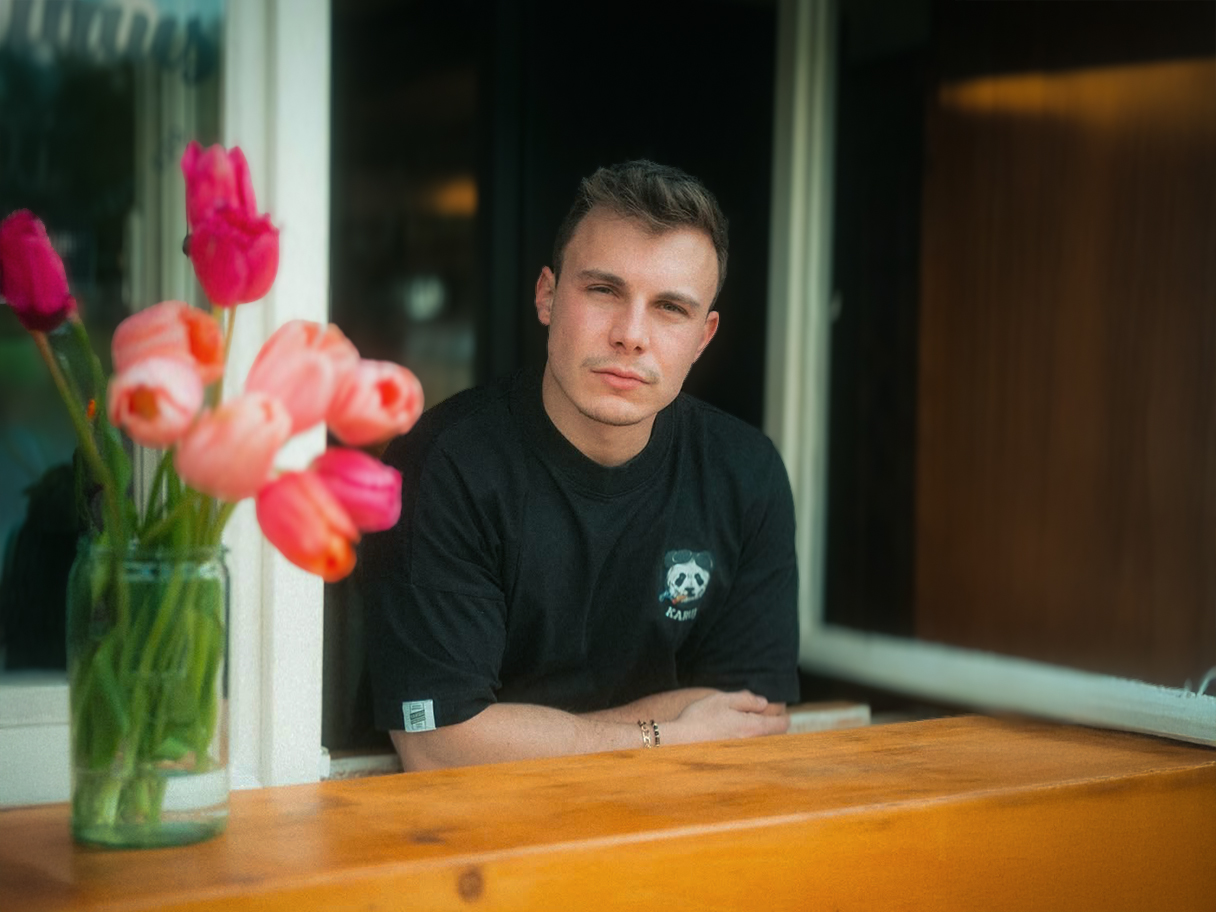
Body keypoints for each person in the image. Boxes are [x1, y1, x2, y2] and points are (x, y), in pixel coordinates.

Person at [362, 160, 799, 771]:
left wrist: (512, 733)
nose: (631, 334)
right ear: (547, 295)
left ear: (703, 337)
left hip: (680, 819)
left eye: (671, 308)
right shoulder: (443, 465)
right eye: (603, 291)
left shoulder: (745, 473)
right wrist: (666, 734)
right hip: (481, 827)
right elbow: (439, 749)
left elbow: (752, 720)